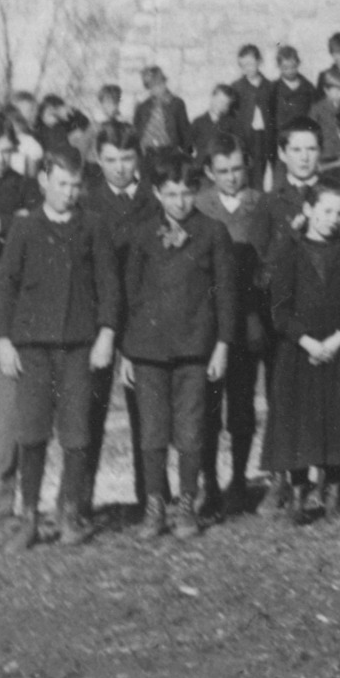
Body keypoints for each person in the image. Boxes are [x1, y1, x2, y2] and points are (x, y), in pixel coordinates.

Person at [0, 153, 115, 547]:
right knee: (32, 432)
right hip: (34, 348)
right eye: (62, 184)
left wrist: (107, 334)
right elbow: (5, 286)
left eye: (76, 186)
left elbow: (109, 285)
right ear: (44, 181)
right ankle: (28, 516)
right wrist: (5, 340)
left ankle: (70, 513)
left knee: (77, 432)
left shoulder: (92, 226)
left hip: (79, 346)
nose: (69, 193)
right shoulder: (26, 227)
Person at [111, 153, 238, 538]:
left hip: (195, 350)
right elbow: (129, 296)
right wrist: (127, 352)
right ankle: (154, 506)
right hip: (148, 351)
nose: (179, 202)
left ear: (196, 191)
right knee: (152, 431)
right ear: (156, 193)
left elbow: (226, 296)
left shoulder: (213, 233)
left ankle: (186, 504)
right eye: (170, 194)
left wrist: (222, 346)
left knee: (190, 429)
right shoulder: (142, 234)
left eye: (186, 193)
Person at [262, 174, 340, 521]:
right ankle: (298, 495)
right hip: (300, 351)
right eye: (326, 211)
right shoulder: (290, 250)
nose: (333, 220)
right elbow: (279, 309)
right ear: (309, 209)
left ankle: (333, 495)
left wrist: (338, 339)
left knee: (338, 421)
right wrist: (308, 341)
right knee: (300, 423)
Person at [198, 137, 279, 503]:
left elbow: (269, 261)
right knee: (206, 404)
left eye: (236, 170)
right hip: (206, 317)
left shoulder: (262, 204)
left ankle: (239, 479)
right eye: (222, 171)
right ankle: (209, 482)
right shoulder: (199, 205)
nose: (231, 178)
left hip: (249, 316)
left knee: (242, 401)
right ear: (209, 173)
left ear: (247, 167)